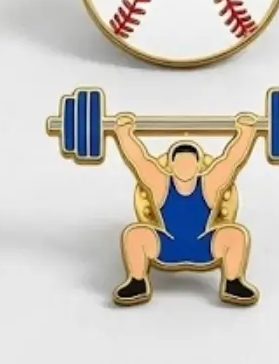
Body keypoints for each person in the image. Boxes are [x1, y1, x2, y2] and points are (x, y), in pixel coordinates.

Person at [110, 112, 259, 306]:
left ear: (198, 165)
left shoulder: (208, 186)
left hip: (204, 247)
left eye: (189, 162)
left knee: (235, 234)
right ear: (171, 165)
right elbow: (140, 161)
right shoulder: (161, 185)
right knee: (135, 234)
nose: (185, 166)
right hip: (166, 247)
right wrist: (124, 133)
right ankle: (137, 281)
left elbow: (230, 161)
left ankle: (233, 282)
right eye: (180, 162)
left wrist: (246, 134)